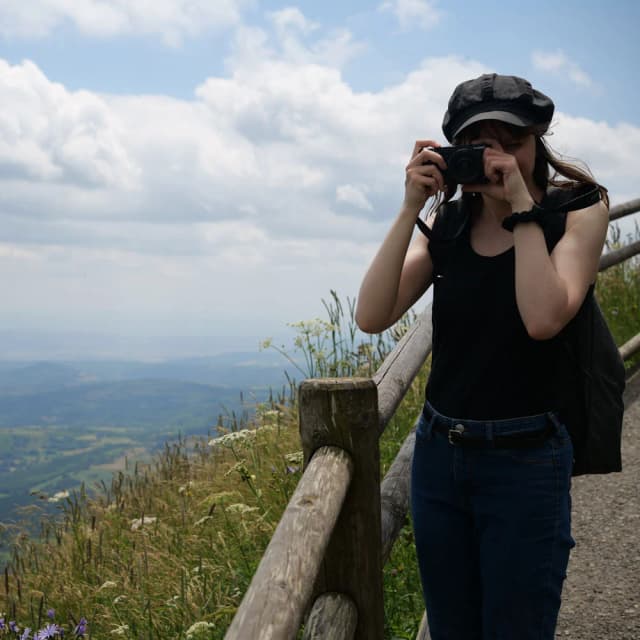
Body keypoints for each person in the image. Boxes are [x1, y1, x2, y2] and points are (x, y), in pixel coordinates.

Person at [355, 73, 609, 639]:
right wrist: (409, 208)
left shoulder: (577, 210)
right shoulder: (450, 221)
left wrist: (519, 208)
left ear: (537, 141)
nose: (499, 160)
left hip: (527, 460)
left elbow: (543, 319)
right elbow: (372, 314)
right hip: (440, 456)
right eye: (480, 146)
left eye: (512, 143)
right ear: (454, 152)